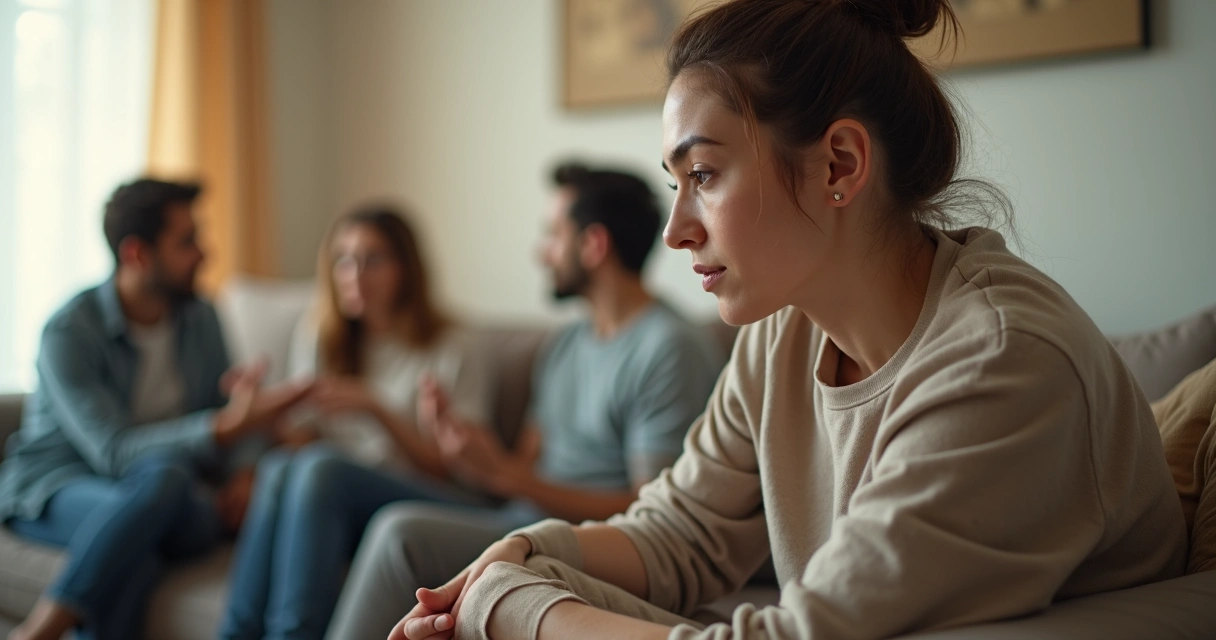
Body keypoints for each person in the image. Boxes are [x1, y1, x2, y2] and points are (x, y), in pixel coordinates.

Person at [393, 1, 1189, 639]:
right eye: (677, 181)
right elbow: (684, 531)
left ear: (839, 164)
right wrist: (526, 553)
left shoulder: (1002, 363)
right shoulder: (785, 329)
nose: (675, 231)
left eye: (703, 174)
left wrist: (514, 607)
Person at [321, 163, 724, 640]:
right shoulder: (565, 344)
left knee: (398, 532)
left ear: (593, 245)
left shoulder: (669, 349)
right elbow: (523, 470)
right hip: (519, 520)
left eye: (553, 235)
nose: (541, 252)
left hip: (587, 540)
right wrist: (476, 455)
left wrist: (511, 478)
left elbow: (654, 512)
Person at [0, 179, 310, 640]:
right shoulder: (69, 331)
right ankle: (44, 629)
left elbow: (232, 410)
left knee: (164, 490)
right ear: (137, 254)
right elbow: (115, 451)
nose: (205, 254)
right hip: (58, 485)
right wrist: (220, 430)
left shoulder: (200, 317)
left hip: (174, 495)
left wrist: (245, 470)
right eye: (187, 242)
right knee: (142, 538)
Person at [217, 206, 497, 640]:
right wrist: (259, 419)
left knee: (320, 466)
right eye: (343, 260)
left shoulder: (453, 347)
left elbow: (459, 471)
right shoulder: (321, 336)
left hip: (434, 497)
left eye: (374, 260)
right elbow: (302, 438)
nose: (354, 274)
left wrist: (378, 410)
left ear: (406, 268)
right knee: (279, 467)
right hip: (333, 500)